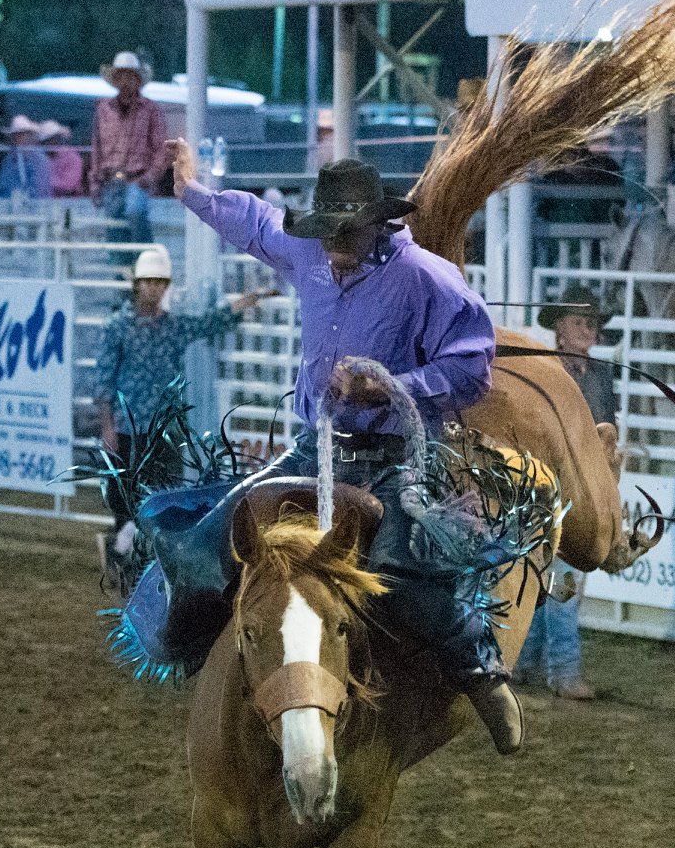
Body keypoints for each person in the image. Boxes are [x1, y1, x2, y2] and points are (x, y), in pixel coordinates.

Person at [162, 140, 524, 754]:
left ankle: (483, 674)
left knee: (407, 574)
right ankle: (201, 653)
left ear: (379, 224)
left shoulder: (427, 280)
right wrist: (192, 191)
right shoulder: (309, 250)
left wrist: (388, 387)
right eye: (326, 230)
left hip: (394, 459)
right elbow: (253, 224)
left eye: (344, 232)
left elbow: (472, 370)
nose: (332, 245)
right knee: (212, 537)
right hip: (317, 448)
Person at [95, 245, 263, 530]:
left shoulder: (171, 326)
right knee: (125, 502)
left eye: (160, 282)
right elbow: (104, 379)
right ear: (138, 285)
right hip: (128, 427)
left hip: (163, 430)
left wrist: (240, 305)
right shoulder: (118, 327)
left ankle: (143, 559)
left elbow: (206, 324)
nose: (155, 288)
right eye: (150, 282)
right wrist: (107, 426)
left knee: (164, 500)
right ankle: (122, 555)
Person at [516, 285, 620, 700]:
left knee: (551, 577)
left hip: (585, 488)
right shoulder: (548, 375)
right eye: (580, 322)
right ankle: (564, 671)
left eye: (592, 324)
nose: (589, 331)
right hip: (550, 486)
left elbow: (608, 432)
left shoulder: (598, 376)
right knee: (561, 579)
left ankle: (525, 662)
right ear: (560, 329)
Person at [90, 52, 167, 243]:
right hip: (110, 179)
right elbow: (97, 146)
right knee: (114, 229)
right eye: (121, 76)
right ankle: (122, 271)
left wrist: (151, 176)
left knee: (135, 212)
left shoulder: (150, 109)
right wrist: (95, 180)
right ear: (115, 80)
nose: (125, 81)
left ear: (138, 80)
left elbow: (161, 148)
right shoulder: (103, 109)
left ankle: (145, 263)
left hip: (137, 178)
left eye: (130, 76)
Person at [536, 141, 625, 226]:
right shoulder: (554, 179)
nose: (578, 159)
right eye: (572, 153)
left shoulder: (606, 168)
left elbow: (620, 202)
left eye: (581, 153)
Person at [0, 114, 53, 199]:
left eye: (21, 134)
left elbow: (40, 189)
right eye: (15, 135)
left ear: (30, 136)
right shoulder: (9, 160)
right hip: (12, 205)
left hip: (38, 206)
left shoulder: (39, 159)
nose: (17, 138)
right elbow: (2, 185)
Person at [40, 121, 86, 198]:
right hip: (43, 202)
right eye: (46, 140)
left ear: (58, 139)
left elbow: (70, 185)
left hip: (69, 203)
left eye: (53, 138)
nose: (50, 142)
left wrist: (46, 183)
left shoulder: (72, 157)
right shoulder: (40, 159)